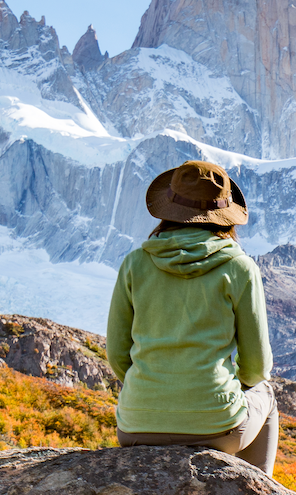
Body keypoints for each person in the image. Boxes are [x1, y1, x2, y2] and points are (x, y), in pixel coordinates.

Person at [106, 160, 278, 475]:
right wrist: (214, 391)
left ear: (168, 209)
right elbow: (257, 367)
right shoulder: (239, 268)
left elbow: (118, 356)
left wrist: (157, 393)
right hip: (216, 429)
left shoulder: (134, 264)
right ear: (225, 217)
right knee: (265, 393)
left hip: (136, 428)